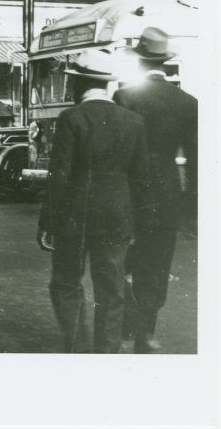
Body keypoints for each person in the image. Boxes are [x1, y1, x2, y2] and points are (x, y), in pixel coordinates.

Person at [36, 49, 149, 353]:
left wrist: (48, 222)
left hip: (75, 216)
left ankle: (77, 347)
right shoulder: (134, 121)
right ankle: (106, 354)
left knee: (66, 283)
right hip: (117, 215)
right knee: (111, 291)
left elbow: (57, 176)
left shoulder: (71, 118)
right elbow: (141, 179)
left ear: (79, 85)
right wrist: (136, 223)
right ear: (107, 84)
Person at [113, 27, 198, 354]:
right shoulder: (189, 103)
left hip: (129, 193)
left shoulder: (124, 97)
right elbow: (195, 162)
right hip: (166, 195)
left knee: (124, 261)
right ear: (166, 64)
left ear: (139, 62)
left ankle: (124, 331)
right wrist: (190, 213)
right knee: (158, 263)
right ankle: (146, 334)